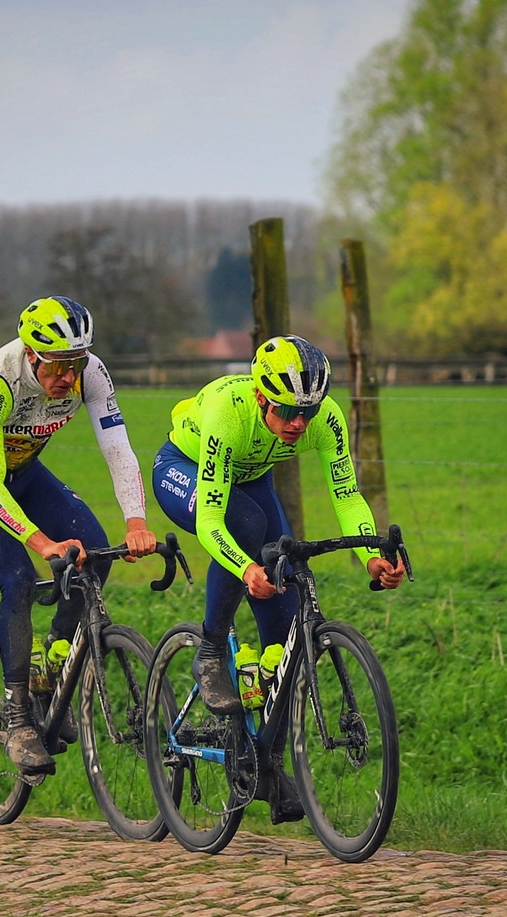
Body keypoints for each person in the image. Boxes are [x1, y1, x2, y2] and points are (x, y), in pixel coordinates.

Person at [152, 335, 405, 823]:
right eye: (287, 411)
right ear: (263, 397)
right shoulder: (232, 411)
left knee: (286, 618)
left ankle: (264, 762)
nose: (297, 424)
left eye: (305, 414)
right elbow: (210, 521)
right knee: (245, 528)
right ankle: (209, 649)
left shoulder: (321, 417)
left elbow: (347, 493)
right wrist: (246, 569)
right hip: (184, 469)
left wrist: (371, 554)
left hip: (251, 478)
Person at [0, 295, 155, 779]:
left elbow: (118, 448)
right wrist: (42, 543)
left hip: (25, 471)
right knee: (18, 577)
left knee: (93, 557)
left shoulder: (91, 373)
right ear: (31, 354)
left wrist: (136, 521)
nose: (68, 378)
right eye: (57, 366)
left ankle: (48, 671)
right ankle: (17, 718)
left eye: (75, 364)